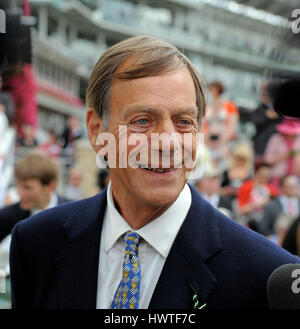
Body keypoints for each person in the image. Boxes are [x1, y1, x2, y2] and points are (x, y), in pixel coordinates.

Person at [10, 36, 299, 309]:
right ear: (97, 130)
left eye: (184, 121)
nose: (168, 142)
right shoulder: (37, 243)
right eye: (143, 120)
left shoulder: (266, 276)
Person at [0, 152, 70, 243]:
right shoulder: (8, 216)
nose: (19, 193)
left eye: (27, 187)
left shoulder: (72, 214)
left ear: (50, 186)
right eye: (18, 185)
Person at [236, 162, 277, 232]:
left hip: (265, 224)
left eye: (267, 176)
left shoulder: (271, 190)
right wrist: (259, 204)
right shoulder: (247, 187)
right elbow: (241, 210)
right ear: (256, 173)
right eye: (262, 175)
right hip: (248, 222)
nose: (264, 178)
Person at [264, 117, 300, 189]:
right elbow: (268, 159)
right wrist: (284, 156)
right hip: (278, 176)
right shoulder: (276, 139)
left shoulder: (298, 139)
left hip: (295, 177)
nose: (291, 136)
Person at [251, 80, 281, 158]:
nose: (263, 95)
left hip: (278, 151)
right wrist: (267, 116)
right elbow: (256, 121)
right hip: (260, 148)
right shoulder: (260, 109)